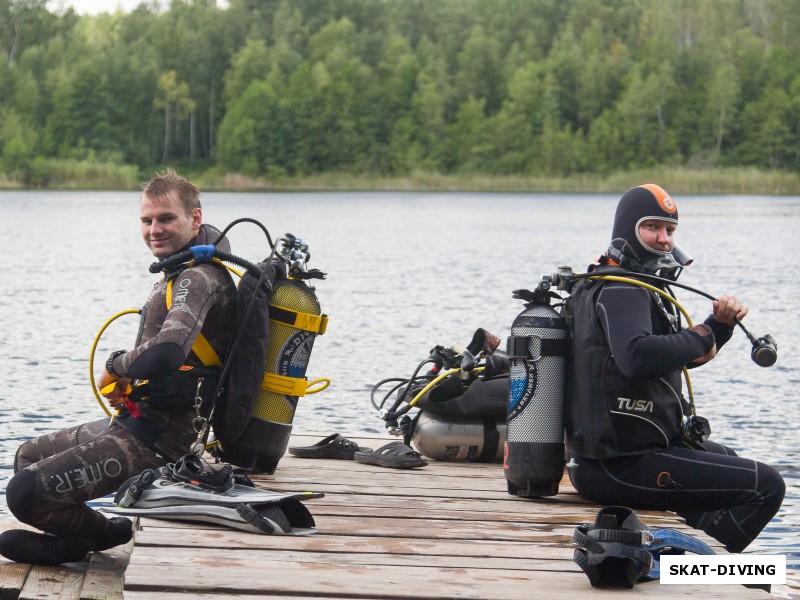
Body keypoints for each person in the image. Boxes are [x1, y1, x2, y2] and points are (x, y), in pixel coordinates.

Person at [0, 170, 237, 565]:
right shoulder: (178, 270)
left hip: (162, 444)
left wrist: (116, 366)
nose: (154, 229)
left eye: (166, 219)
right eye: (146, 220)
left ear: (195, 219)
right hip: (135, 422)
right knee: (28, 456)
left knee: (23, 494)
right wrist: (131, 379)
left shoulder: (198, 278)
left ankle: (107, 533)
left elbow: (166, 355)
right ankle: (80, 540)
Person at [565, 183, 785, 554]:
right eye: (652, 227)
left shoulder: (613, 281)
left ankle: (698, 553)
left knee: (728, 461)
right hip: (620, 464)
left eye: (670, 230)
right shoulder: (623, 289)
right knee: (767, 486)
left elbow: (671, 358)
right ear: (627, 229)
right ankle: (705, 570)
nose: (664, 239)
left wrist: (718, 327)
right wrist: (701, 333)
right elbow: (636, 357)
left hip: (609, 459)